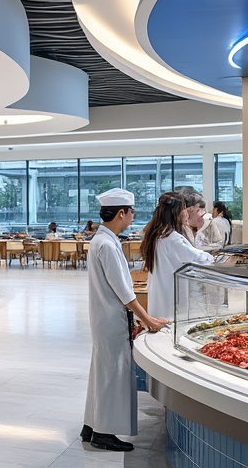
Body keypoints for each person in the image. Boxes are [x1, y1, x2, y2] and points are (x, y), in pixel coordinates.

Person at [82, 188, 171, 452]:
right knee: (112, 375)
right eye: (132, 212)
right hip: (110, 319)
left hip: (103, 317)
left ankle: (90, 426)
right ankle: (103, 433)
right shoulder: (107, 245)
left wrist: (146, 318)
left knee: (100, 372)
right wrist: (148, 320)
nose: (133, 216)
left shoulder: (102, 240)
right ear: (121, 213)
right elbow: (125, 293)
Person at [141, 191, 215, 320]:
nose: (186, 213)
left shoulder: (157, 234)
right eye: (184, 209)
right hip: (172, 298)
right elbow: (195, 257)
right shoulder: (172, 238)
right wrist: (212, 258)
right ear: (176, 212)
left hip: (161, 297)